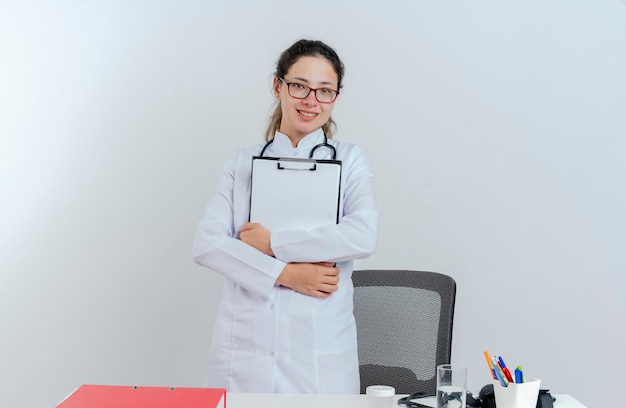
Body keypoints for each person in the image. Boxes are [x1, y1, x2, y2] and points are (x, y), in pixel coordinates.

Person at [192, 39, 379, 394]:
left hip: (318, 353)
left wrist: (272, 242)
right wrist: (286, 274)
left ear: (335, 97)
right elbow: (207, 244)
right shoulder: (241, 163)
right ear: (278, 86)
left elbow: (362, 235)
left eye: (325, 90)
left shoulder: (351, 160)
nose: (311, 100)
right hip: (244, 349)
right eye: (299, 86)